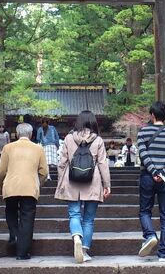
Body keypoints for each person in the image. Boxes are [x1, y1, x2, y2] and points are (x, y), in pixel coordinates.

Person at [55, 110, 111, 263]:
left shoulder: (68, 138)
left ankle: (76, 238)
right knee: (88, 219)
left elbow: (62, 163)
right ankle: (84, 250)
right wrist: (107, 185)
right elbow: (103, 164)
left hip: (71, 180)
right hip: (92, 181)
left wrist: (61, 181)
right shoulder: (98, 140)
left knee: (74, 214)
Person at [136, 101, 165, 262]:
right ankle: (163, 254)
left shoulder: (143, 132)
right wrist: (163, 172)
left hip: (148, 176)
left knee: (145, 211)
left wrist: (154, 172)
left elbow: (143, 154)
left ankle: (149, 235)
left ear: (152, 115)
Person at [0, 123, 48, 260]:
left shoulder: (7, 148)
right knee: (27, 219)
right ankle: (22, 252)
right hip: (30, 187)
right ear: (31, 134)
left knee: (11, 211)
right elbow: (44, 172)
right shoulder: (38, 149)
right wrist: (38, 183)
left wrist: (1, 183)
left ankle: (14, 234)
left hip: (11, 186)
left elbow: (1, 171)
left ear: (17, 134)